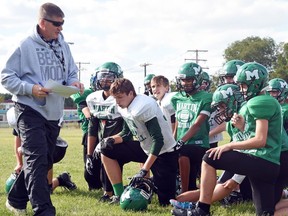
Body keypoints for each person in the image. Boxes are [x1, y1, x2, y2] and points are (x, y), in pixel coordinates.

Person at [1, 3, 83, 215]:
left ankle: (17, 199)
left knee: (45, 159)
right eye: (57, 24)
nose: (60, 28)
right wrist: (30, 89)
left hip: (53, 113)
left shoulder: (64, 45)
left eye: (63, 24)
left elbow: (72, 72)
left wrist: (74, 83)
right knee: (36, 160)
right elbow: (6, 77)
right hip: (29, 109)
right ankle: (44, 210)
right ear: (42, 23)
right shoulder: (24, 45)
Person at [172, 62, 282, 216]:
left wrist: (228, 146)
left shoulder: (260, 101)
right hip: (267, 162)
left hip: (264, 160)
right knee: (266, 213)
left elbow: (260, 140)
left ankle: (202, 210)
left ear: (254, 84)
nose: (241, 91)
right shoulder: (254, 104)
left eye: (243, 86)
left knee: (209, 157)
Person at [100, 78, 179, 206]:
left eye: (120, 97)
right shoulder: (124, 105)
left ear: (131, 93)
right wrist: (110, 139)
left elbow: (158, 140)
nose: (117, 102)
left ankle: (152, 182)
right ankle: (118, 194)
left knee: (166, 202)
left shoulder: (143, 106)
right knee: (106, 150)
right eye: (115, 98)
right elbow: (126, 134)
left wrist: (144, 170)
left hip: (164, 153)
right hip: (146, 148)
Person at [85, 62, 124, 202]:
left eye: (109, 77)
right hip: (102, 140)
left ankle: (113, 192)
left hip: (121, 139)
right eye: (102, 77)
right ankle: (110, 192)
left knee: (109, 154)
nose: (105, 80)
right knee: (91, 174)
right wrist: (89, 154)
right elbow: (92, 127)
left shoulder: (121, 97)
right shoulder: (93, 98)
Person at [171, 62, 212, 193]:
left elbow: (197, 124)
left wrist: (181, 141)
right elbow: (178, 120)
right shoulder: (177, 98)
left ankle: (184, 192)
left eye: (189, 80)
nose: (185, 83)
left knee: (183, 153)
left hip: (199, 143)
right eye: (183, 80)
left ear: (198, 79)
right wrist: (174, 139)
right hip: (182, 141)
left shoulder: (206, 97)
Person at [70, 76, 102, 191]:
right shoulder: (88, 93)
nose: (105, 83)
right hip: (90, 132)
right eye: (102, 79)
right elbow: (86, 110)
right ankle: (94, 186)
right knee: (92, 165)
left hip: (106, 132)